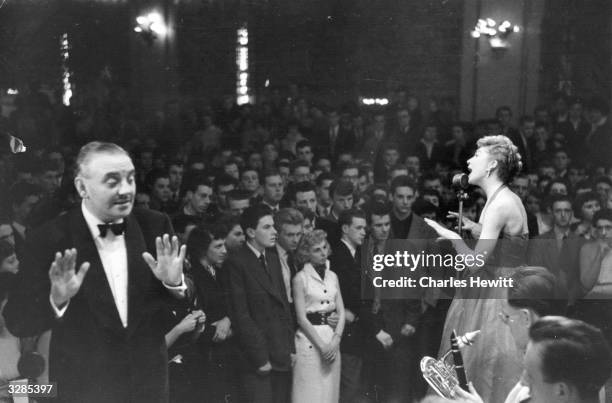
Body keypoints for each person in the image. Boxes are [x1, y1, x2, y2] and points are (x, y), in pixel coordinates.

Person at [4, 142, 191, 403]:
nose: (125, 190)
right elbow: (17, 320)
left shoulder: (155, 225)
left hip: (147, 388)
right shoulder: (48, 238)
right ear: (82, 187)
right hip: (85, 390)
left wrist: (174, 283)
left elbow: (186, 294)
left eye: (130, 179)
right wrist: (55, 300)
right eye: (112, 181)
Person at [425, 135, 527, 402]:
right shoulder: (501, 199)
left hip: (495, 297)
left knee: (486, 368)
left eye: (476, 156)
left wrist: (454, 238)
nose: (469, 161)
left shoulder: (500, 204)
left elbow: (475, 262)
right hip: (492, 290)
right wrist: (476, 228)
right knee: (481, 368)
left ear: (492, 165)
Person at [451, 266, 559, 403]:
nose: (503, 321)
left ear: (526, 317)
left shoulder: (540, 378)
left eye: (507, 316)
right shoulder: (553, 353)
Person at [223, 204, 294, 403]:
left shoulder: (272, 258)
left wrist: (290, 349)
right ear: (251, 232)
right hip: (255, 360)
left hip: (281, 354)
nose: (274, 231)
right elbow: (241, 316)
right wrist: (260, 358)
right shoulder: (236, 263)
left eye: (274, 226)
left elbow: (283, 308)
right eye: (267, 227)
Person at [292, 229, 345, 403]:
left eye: (324, 247)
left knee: (329, 394)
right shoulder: (300, 278)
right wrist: (322, 346)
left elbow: (341, 311)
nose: (323, 253)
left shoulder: (333, 276)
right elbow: (301, 318)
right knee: (309, 394)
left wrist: (336, 340)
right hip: (310, 341)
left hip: (331, 340)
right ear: (306, 253)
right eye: (317, 250)